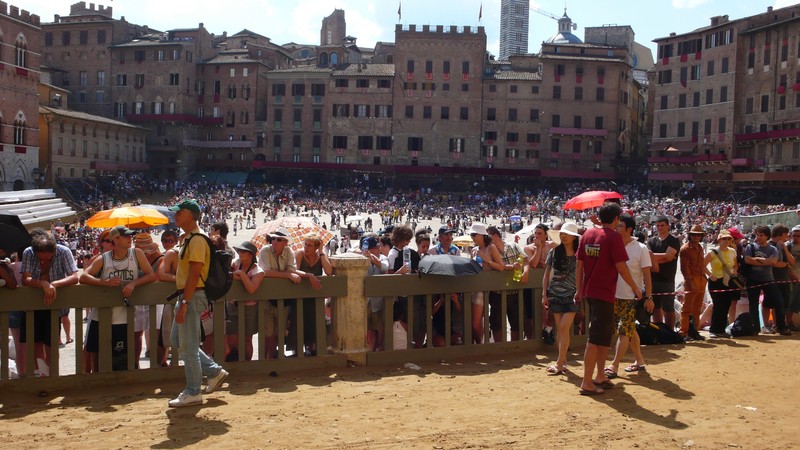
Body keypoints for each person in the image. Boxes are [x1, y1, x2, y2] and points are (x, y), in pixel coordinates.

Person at [575, 203, 641, 396]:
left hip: (591, 291)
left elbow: (579, 264)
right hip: (604, 292)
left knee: (603, 335)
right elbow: (621, 267)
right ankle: (587, 381)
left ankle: (600, 375)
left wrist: (579, 289)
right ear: (616, 219)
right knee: (596, 337)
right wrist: (636, 288)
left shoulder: (587, 234)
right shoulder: (613, 237)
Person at [168, 199, 228, 407]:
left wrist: (184, 302)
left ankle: (193, 391)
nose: (175, 215)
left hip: (191, 295)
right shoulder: (191, 238)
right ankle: (213, 371)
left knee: (189, 346)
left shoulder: (196, 240)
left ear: (191, 215)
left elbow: (194, 274)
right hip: (188, 295)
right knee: (178, 341)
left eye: (179, 212)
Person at [79, 225, 156, 371]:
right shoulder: (104, 258)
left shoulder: (137, 253)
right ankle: (98, 383)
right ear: (116, 239)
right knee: (96, 353)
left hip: (124, 316)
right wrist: (104, 282)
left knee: (120, 356)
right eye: (126, 236)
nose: (130, 238)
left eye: (130, 236)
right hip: (101, 315)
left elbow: (151, 275)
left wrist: (134, 283)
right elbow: (83, 277)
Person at [20, 229, 79, 376]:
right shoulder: (28, 252)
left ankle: (53, 376)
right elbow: (25, 279)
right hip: (32, 304)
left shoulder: (64, 251)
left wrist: (54, 284)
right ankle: (41, 375)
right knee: (34, 343)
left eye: (48, 258)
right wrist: (42, 283)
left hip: (53, 305)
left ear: (54, 250)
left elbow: (74, 277)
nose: (43, 262)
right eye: (41, 259)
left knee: (52, 344)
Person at [259, 227, 322, 358]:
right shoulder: (265, 251)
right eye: (273, 239)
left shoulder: (288, 252)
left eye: (279, 239)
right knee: (267, 333)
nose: (274, 241)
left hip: (283, 299)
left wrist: (308, 275)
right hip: (267, 298)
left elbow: (293, 270)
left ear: (285, 243)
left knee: (280, 332)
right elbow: (266, 272)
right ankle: (265, 360)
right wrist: (287, 275)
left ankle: (272, 360)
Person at [605, 215, 654, 378]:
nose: (617, 228)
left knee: (624, 331)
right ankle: (639, 361)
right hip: (614, 295)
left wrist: (649, 297)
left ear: (629, 229)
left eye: (620, 226)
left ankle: (614, 364)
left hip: (632, 297)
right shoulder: (614, 245)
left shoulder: (641, 249)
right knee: (630, 329)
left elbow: (647, 275)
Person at [541, 222, 581, 375]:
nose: (563, 236)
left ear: (574, 237)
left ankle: (559, 363)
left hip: (573, 295)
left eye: (567, 234)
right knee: (561, 330)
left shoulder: (579, 253)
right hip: (555, 293)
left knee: (563, 328)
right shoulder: (554, 252)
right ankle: (562, 362)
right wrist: (544, 293)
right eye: (562, 233)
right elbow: (547, 273)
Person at [742, 225, 790, 335]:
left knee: (779, 302)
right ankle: (755, 328)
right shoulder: (751, 247)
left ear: (767, 236)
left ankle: (781, 327)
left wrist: (758, 259)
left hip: (768, 280)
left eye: (761, 235)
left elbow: (773, 261)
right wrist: (765, 261)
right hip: (753, 279)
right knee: (753, 304)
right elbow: (748, 260)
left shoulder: (772, 249)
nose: (758, 237)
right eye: (757, 235)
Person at [294, 233, 332, 356]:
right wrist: (308, 276)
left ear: (316, 247)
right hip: (300, 296)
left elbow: (329, 271)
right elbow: (294, 269)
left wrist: (321, 252)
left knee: (316, 322)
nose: (306, 247)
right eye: (305, 244)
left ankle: (314, 348)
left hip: (315, 297)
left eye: (310, 245)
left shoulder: (320, 256)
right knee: (300, 322)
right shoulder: (299, 254)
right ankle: (302, 349)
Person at [226, 240, 265, 361]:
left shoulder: (259, 271)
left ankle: (247, 364)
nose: (240, 253)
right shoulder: (234, 263)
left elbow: (251, 289)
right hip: (233, 305)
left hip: (249, 308)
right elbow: (227, 275)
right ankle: (234, 363)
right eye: (239, 251)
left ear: (251, 255)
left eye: (243, 252)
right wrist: (240, 276)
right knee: (232, 337)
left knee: (247, 339)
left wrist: (242, 275)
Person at [487, 225, 525, 342]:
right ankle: (500, 347)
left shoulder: (513, 246)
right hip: (496, 291)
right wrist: (510, 267)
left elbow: (525, 259)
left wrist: (526, 271)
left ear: (495, 236)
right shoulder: (489, 250)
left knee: (517, 322)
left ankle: (514, 347)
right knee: (496, 322)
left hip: (514, 290)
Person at [469, 223, 504, 344]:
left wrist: (487, 260)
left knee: (477, 322)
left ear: (481, 235)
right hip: (476, 287)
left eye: (474, 234)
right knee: (476, 322)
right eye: (471, 235)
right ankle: (480, 344)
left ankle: (480, 345)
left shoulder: (491, 248)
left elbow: (501, 267)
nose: (472, 237)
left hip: (487, 288)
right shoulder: (474, 250)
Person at [704, 229, 739, 338]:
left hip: (728, 280)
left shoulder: (733, 251)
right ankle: (714, 329)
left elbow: (735, 264)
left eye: (729, 239)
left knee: (726, 305)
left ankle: (721, 329)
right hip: (716, 280)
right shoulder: (713, 252)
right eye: (724, 239)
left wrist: (734, 272)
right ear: (719, 240)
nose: (727, 241)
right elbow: (702, 265)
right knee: (718, 305)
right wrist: (710, 275)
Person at [647, 216, 680, 330]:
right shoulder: (652, 240)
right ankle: (659, 331)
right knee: (655, 308)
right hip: (653, 278)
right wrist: (665, 255)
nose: (660, 228)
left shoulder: (673, 240)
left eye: (662, 225)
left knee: (668, 307)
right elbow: (649, 256)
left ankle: (670, 331)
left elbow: (670, 258)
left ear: (668, 226)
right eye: (658, 225)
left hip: (667, 278)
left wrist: (653, 257)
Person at [679, 225, 710, 341]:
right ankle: (684, 332)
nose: (696, 237)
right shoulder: (685, 249)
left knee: (697, 308)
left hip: (701, 280)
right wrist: (690, 283)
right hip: (691, 280)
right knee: (687, 308)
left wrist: (705, 278)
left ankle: (695, 331)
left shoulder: (700, 248)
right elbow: (684, 269)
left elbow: (702, 264)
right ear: (690, 235)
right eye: (694, 234)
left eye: (698, 235)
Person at [156, 229, 179, 367]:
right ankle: (162, 363)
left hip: (177, 298)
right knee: (164, 335)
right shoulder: (163, 256)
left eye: (170, 240)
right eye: (164, 240)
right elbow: (160, 275)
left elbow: (162, 275)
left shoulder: (175, 254)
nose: (167, 243)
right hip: (165, 300)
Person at [362, 235, 389, 351]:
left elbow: (384, 267)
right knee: (366, 328)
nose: (379, 249)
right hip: (365, 300)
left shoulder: (383, 258)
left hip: (378, 301)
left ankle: (380, 348)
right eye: (376, 247)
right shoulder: (361, 258)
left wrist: (373, 259)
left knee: (380, 327)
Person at [769, 225, 794, 333]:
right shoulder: (770, 245)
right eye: (785, 234)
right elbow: (774, 263)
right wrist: (785, 264)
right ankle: (778, 326)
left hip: (784, 278)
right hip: (772, 279)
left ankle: (780, 325)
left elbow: (791, 262)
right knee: (776, 303)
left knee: (784, 303)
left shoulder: (785, 245)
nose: (787, 236)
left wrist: (784, 247)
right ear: (780, 234)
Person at [786, 225, 800, 331]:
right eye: (794, 235)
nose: (795, 237)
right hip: (790, 278)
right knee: (790, 301)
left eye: (798, 236)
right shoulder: (787, 246)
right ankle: (788, 323)